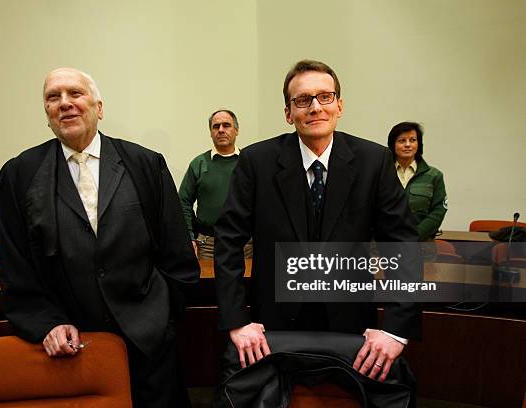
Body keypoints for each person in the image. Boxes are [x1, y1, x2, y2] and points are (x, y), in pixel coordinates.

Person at [0, 67, 199, 408]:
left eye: (75, 93)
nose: (65, 103)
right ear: (46, 113)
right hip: (71, 345)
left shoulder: (145, 164)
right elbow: (17, 268)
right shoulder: (18, 175)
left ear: (99, 107)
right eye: (53, 97)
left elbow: (177, 253)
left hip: (150, 346)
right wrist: (48, 323)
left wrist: (162, 316)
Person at [214, 59, 421, 383]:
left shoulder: (374, 160)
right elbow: (228, 239)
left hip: (351, 327)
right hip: (275, 326)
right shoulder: (257, 162)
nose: (315, 107)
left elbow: (404, 244)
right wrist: (237, 321)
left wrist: (396, 330)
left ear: (339, 106)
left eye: (325, 97)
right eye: (302, 100)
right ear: (288, 112)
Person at [179, 109, 252, 259]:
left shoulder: (249, 162)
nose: (221, 130)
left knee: (246, 283)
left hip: (244, 243)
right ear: (210, 132)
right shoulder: (198, 164)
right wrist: (190, 237)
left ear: (236, 130)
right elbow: (183, 202)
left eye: (226, 125)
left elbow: (263, 202)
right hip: (207, 245)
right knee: (209, 283)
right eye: (216, 126)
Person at [388, 122, 448, 241]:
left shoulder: (433, 176)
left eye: (413, 140)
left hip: (421, 245)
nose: (408, 145)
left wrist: (414, 236)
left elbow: (438, 211)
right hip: (386, 245)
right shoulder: (382, 173)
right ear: (392, 145)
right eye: (402, 141)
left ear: (419, 144)